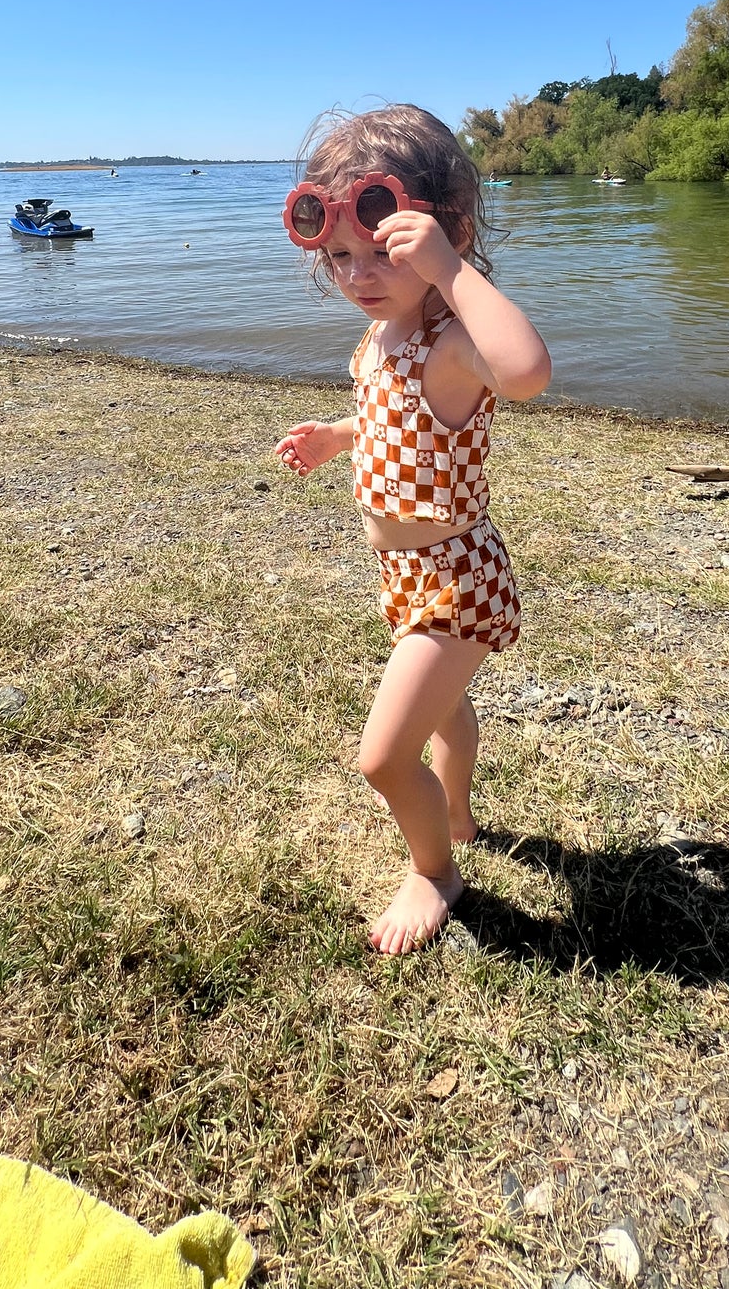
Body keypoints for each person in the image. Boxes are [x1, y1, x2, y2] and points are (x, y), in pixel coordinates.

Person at [274, 106, 551, 954]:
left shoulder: (454, 340)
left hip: (456, 575)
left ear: (448, 230)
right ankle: (457, 810)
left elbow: (529, 371)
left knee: (382, 758)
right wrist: (338, 434)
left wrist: (450, 269)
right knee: (444, 715)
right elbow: (390, 415)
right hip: (402, 577)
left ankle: (435, 869)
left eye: (381, 251)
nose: (359, 274)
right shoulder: (379, 338)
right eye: (340, 258)